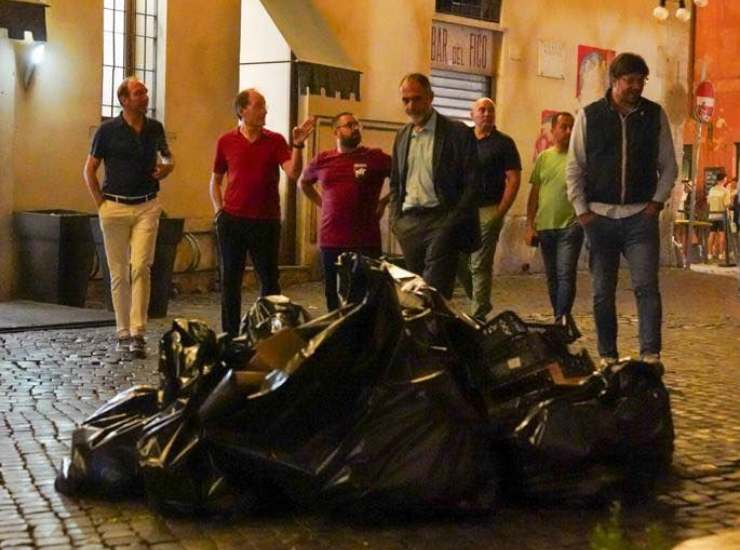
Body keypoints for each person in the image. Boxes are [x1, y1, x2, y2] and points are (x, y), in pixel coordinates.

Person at [566, 52, 678, 367]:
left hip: (640, 218)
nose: (636, 86)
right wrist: (582, 211)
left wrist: (656, 202)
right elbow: (575, 167)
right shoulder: (590, 116)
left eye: (641, 80)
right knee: (602, 291)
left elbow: (668, 165)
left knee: (646, 286)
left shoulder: (654, 115)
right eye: (630, 80)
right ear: (615, 81)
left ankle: (650, 354)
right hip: (599, 218)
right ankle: (608, 356)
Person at [209, 88, 315, 337]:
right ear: (242, 110)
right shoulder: (226, 141)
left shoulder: (275, 140)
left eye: (265, 106)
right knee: (230, 282)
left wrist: (298, 144)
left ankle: (269, 334)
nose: (265, 111)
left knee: (269, 281)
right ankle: (230, 335)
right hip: (232, 221)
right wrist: (218, 211)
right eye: (259, 106)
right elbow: (215, 180)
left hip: (266, 221)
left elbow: (293, 173)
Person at [83, 77, 174, 358]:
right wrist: (102, 204)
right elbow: (90, 169)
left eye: (145, 91)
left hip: (147, 205)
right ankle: (122, 331)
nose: (145, 96)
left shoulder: (154, 128)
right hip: (115, 207)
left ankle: (138, 331)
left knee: (141, 267)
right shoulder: (107, 131)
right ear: (124, 100)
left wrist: (167, 168)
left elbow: (168, 157)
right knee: (119, 271)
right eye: (138, 93)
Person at [388, 73, 480, 300]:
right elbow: (396, 182)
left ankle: (437, 333)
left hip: (441, 220)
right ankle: (425, 335)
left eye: (416, 99)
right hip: (409, 224)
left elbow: (473, 182)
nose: (411, 106)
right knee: (413, 296)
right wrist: (395, 220)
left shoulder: (456, 132)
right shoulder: (402, 135)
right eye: (405, 100)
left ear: (431, 97)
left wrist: (452, 222)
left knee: (433, 293)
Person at [300, 112, 391, 311]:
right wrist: (322, 203)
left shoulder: (375, 157)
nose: (355, 128)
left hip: (366, 240)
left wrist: (384, 202)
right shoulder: (323, 159)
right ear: (336, 131)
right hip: (332, 238)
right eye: (349, 125)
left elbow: (402, 178)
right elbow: (304, 184)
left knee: (367, 294)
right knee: (332, 293)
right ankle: (337, 335)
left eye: (357, 125)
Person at [457, 97, 521, 320]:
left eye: (490, 110)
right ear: (471, 114)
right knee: (458, 260)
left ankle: (478, 314)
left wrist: (500, 211)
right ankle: (478, 299)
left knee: (479, 263)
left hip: (488, 209)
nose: (486, 114)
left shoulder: (504, 143)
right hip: (464, 210)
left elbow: (513, 179)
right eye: (482, 110)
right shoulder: (463, 141)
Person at [525, 111, 583, 323]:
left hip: (570, 226)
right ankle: (559, 315)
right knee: (552, 277)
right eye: (564, 127)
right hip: (546, 227)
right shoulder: (544, 158)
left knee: (565, 273)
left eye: (571, 127)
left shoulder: (579, 159)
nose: (568, 131)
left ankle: (561, 318)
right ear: (553, 131)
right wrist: (530, 225)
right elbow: (534, 194)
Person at [707, 172, 731, 261]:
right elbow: (727, 204)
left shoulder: (711, 190)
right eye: (725, 178)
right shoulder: (725, 191)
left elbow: (708, 202)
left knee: (711, 234)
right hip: (722, 215)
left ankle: (709, 254)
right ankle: (721, 254)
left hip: (712, 214)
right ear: (723, 179)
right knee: (722, 234)